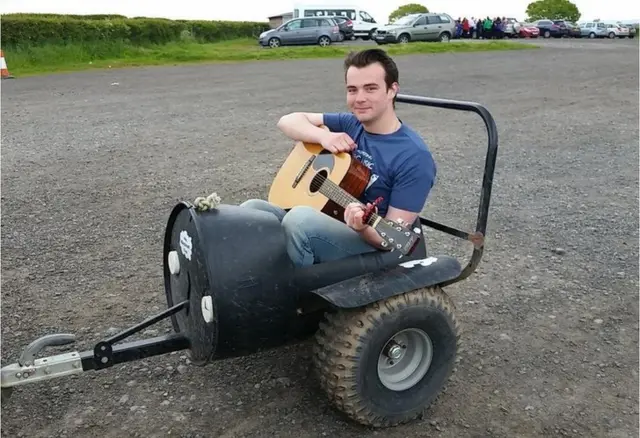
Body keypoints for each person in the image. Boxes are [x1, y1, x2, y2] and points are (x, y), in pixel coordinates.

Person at [241, 49, 437, 267]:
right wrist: (323, 136)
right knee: (253, 211)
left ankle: (297, 297)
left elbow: (389, 238)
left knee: (299, 220)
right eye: (352, 90)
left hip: (367, 242)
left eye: (370, 89)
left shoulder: (414, 157)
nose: (359, 98)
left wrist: (362, 227)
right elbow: (287, 121)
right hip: (330, 216)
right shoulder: (350, 123)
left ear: (392, 90)